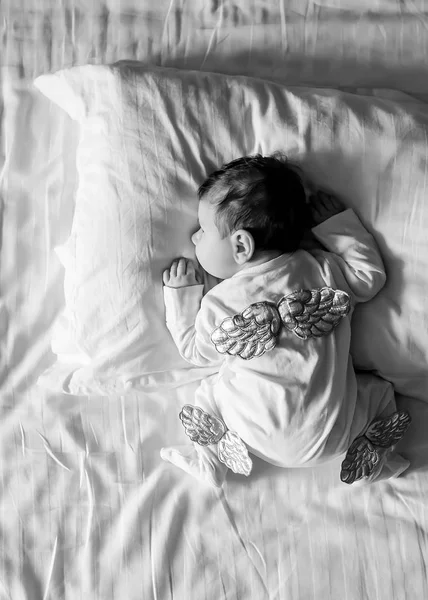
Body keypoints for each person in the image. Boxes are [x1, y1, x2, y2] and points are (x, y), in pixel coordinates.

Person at [160, 153, 411, 488]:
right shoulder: (322, 269)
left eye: (203, 230)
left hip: (250, 436)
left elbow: (196, 351)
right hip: (333, 436)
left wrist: (181, 295)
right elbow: (370, 276)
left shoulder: (221, 301)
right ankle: (374, 459)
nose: (194, 238)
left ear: (241, 246)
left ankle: (210, 460)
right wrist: (338, 226)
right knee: (380, 394)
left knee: (208, 391)